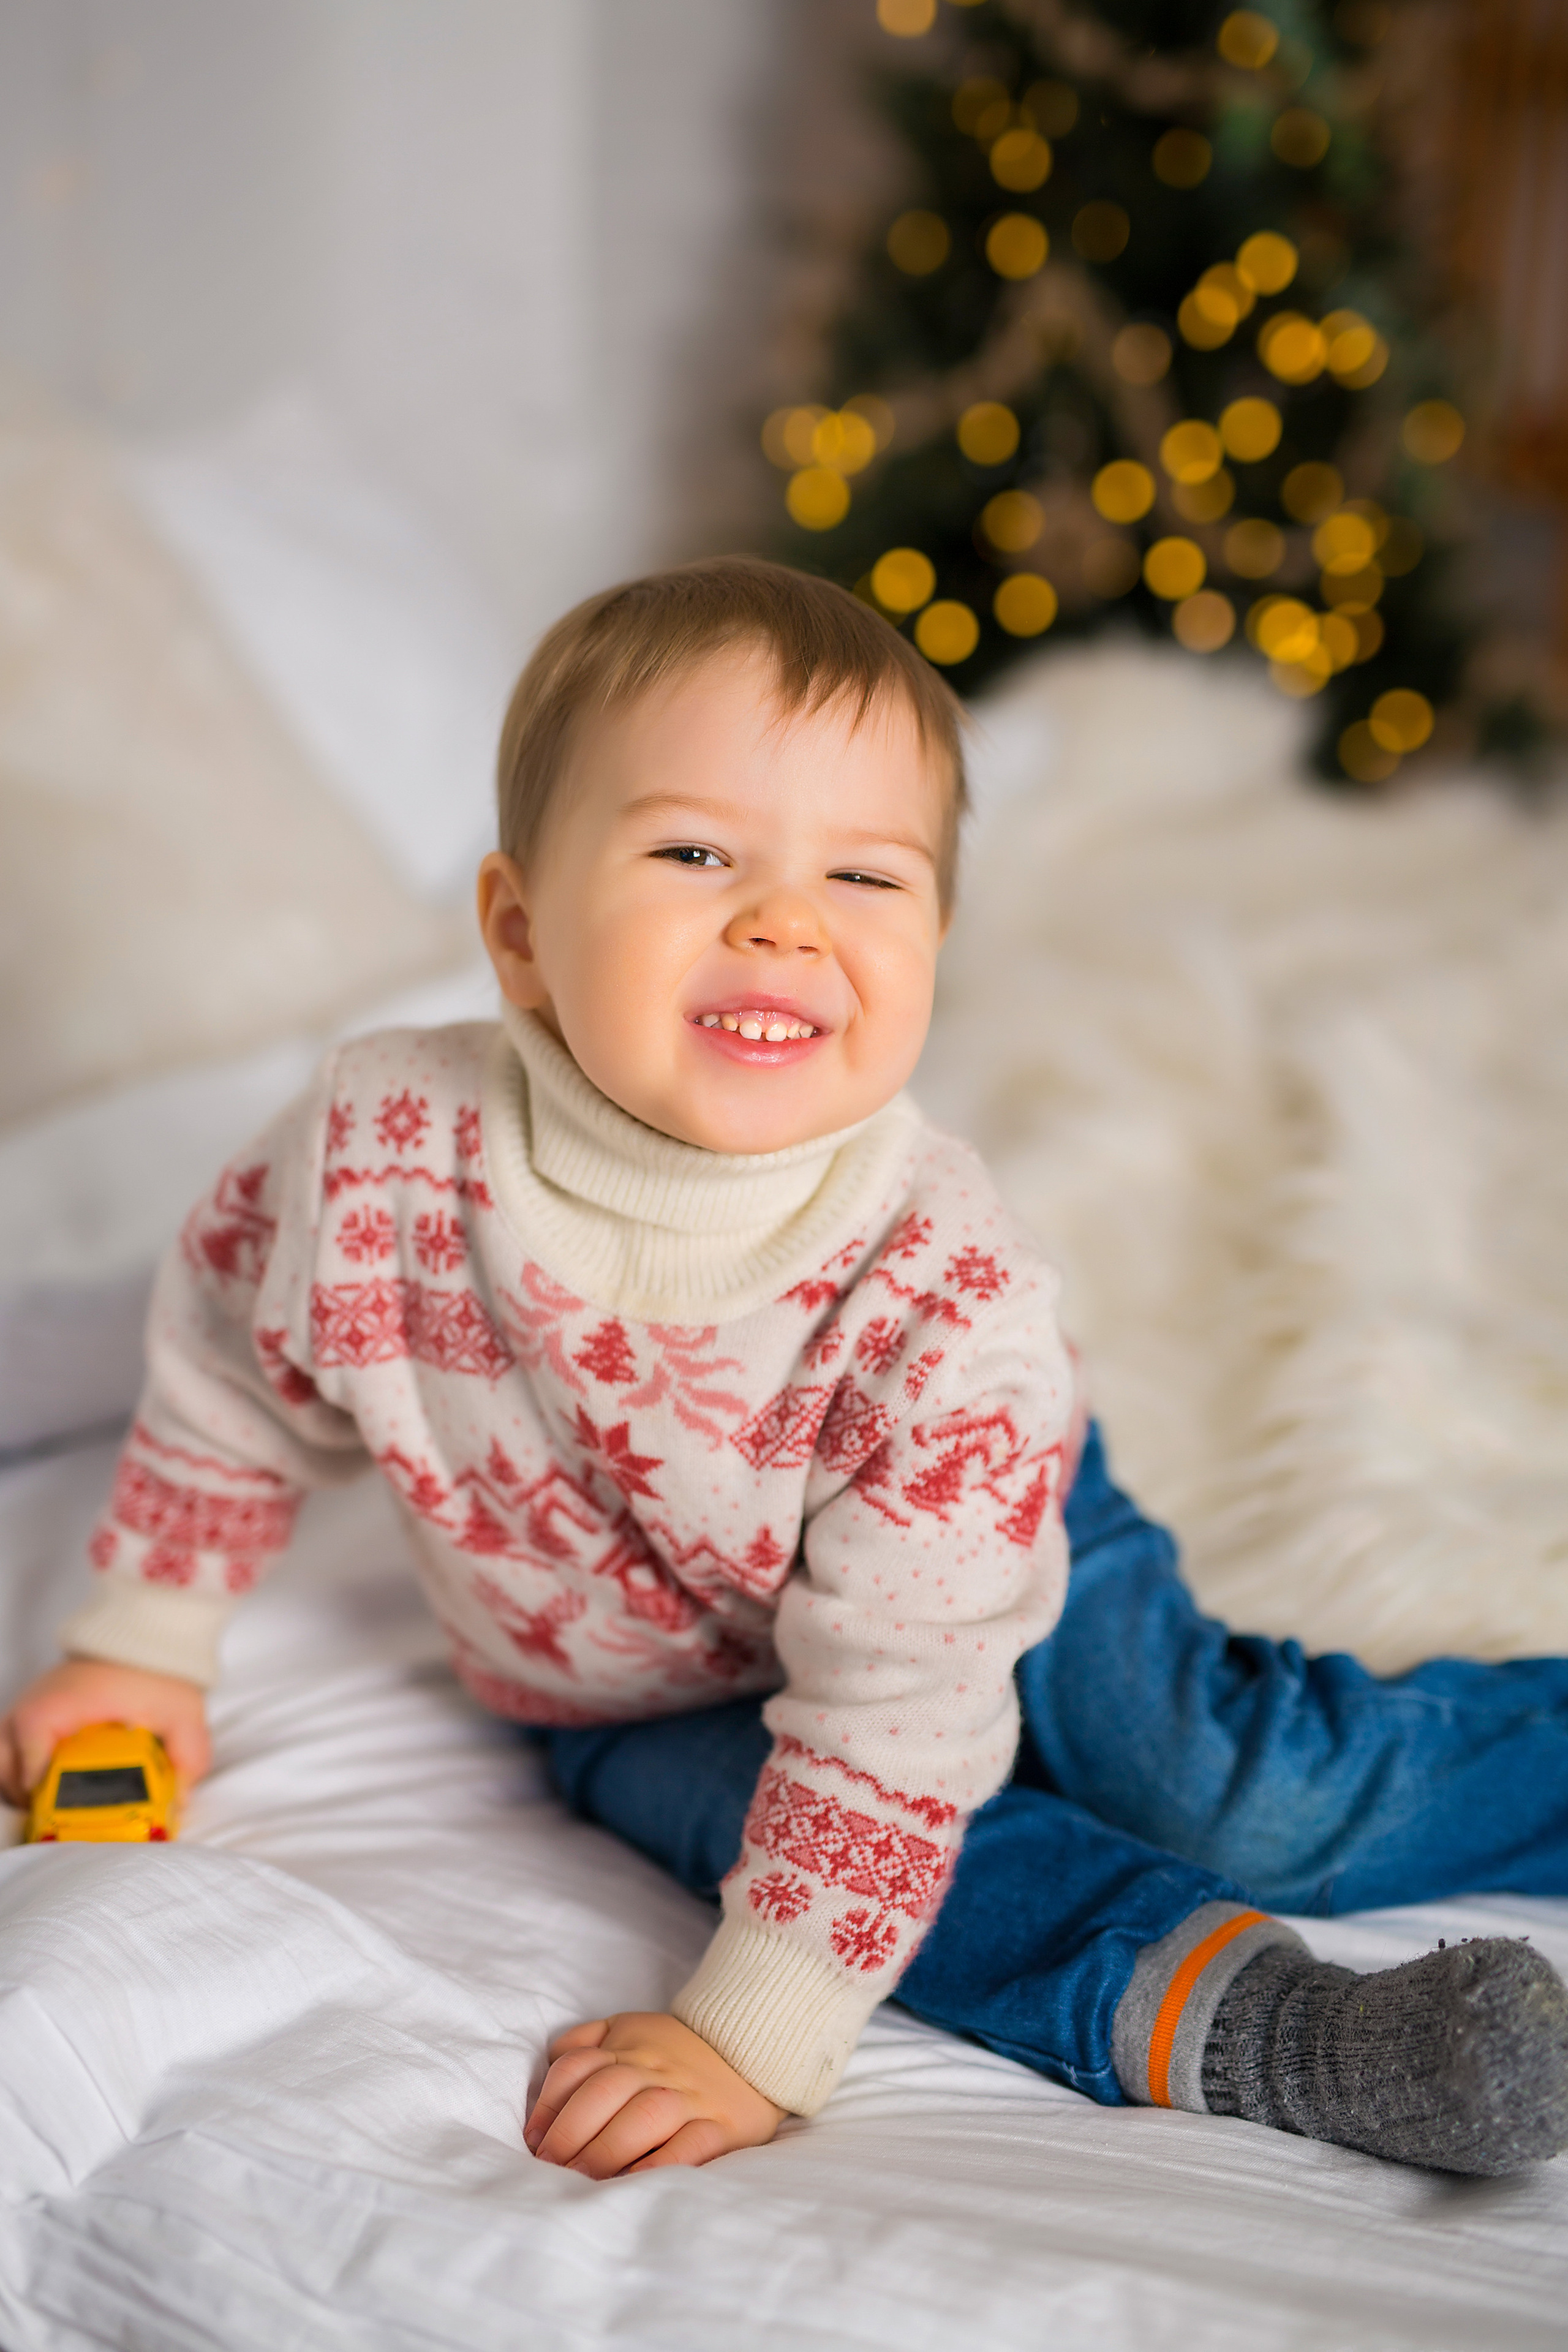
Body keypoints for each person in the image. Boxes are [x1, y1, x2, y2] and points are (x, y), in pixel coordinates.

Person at [3, 558, 1564, 2182]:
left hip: (978, 1548)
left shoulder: (944, 1294)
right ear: (521, 930)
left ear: (939, 942)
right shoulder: (382, 1153)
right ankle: (1303, 2036)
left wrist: (759, 2032)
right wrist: (143, 1644)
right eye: (695, 853)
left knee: (1232, 1792)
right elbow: (228, 1364)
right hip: (622, 1678)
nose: (783, 918)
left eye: (866, 880)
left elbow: (898, 1712)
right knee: (808, 1853)